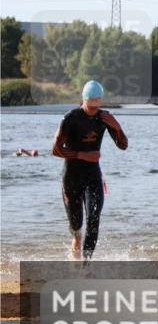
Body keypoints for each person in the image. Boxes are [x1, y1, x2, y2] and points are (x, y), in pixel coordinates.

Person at [51, 80, 128, 262]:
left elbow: (123, 146)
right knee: (77, 227)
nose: (94, 110)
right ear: (84, 100)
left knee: (93, 218)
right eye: (90, 106)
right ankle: (76, 245)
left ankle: (86, 267)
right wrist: (82, 155)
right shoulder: (71, 118)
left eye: (97, 106)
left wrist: (117, 127)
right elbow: (55, 149)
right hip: (71, 178)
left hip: (92, 176)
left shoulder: (104, 118)